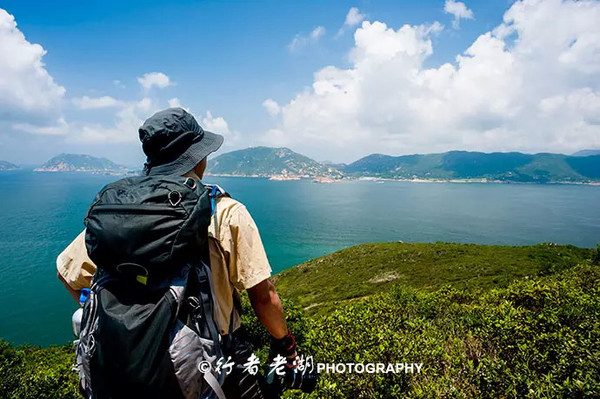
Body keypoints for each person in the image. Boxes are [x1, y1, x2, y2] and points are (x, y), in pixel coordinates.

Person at [57, 107, 298, 398]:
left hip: (126, 359)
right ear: (198, 157)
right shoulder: (224, 213)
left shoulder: (122, 215)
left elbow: (67, 273)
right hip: (217, 360)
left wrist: (125, 322)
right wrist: (286, 345)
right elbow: (263, 297)